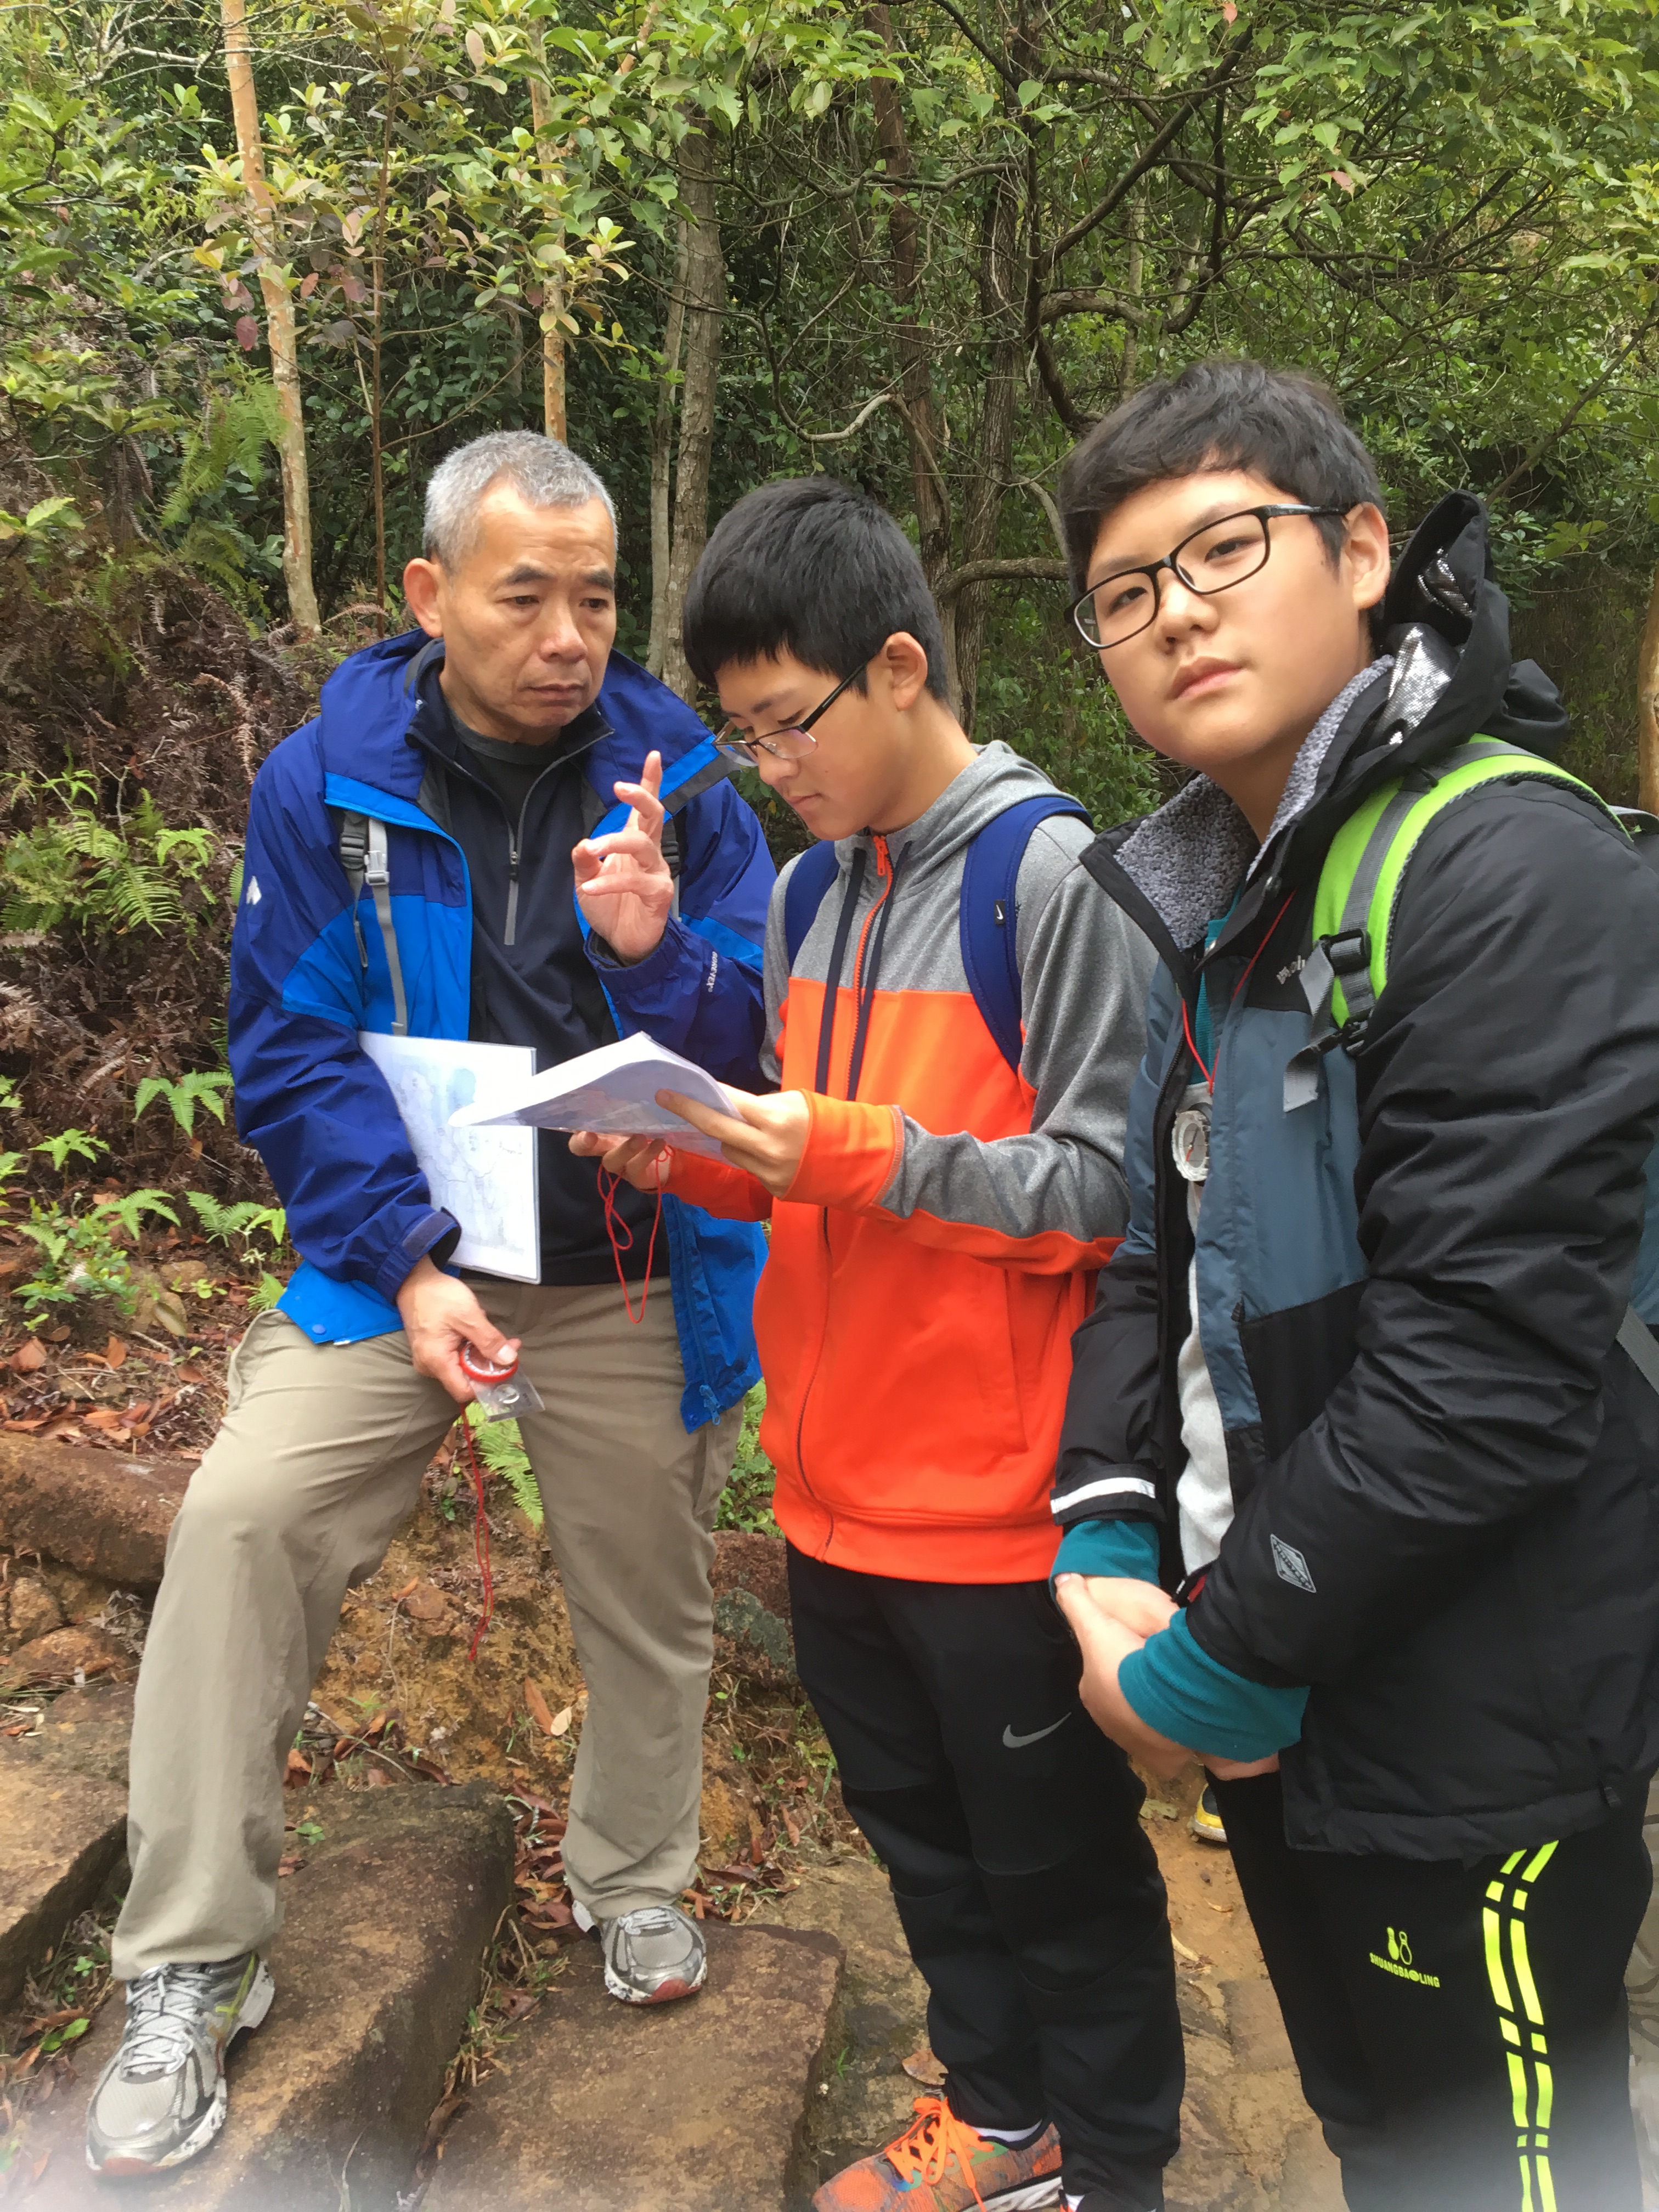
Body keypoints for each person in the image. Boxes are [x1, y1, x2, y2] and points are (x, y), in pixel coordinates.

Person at [86, 431, 774, 2176]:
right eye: (524, 595)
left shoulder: (684, 782)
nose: (568, 636)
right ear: (430, 594)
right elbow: (290, 1045)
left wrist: (660, 959)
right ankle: (191, 1958)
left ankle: (635, 1877)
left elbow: (763, 1044)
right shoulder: (329, 784)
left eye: (596, 599)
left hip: (624, 1263)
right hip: (403, 1255)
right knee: (243, 1521)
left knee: (650, 1584)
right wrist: (402, 1260)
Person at [1047, 357, 1659, 2211]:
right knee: (1379, 2137)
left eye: (1225, 548)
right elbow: (1151, 1248)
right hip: (1284, 1680)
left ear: (1366, 550)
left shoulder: (1510, 868)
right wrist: (1106, 1522)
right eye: (1125, 592)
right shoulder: (1226, 899)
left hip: (1470, 1724)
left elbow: (1485, 1375)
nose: (1178, 613)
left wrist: (1217, 1665)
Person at [577, 476, 1181, 2212]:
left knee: (1060, 1876)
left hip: (996, 1513)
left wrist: (843, 1148)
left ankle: (1120, 2171)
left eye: (791, 723)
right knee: (926, 1853)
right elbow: (810, 1161)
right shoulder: (810, 893)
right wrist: (696, 1152)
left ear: (900, 667)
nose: (773, 766)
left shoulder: (1048, 877)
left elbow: (1108, 1195)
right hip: (835, 1492)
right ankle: (1003, 2121)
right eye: (747, 735)